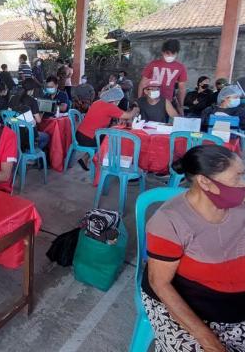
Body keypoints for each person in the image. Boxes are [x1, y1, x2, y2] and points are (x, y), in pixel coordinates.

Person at [142, 145, 245, 352]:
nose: (243, 183)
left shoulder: (241, 206)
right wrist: (211, 343)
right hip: (191, 306)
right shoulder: (169, 221)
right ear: (205, 181)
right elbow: (159, 283)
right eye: (238, 177)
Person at [76, 87, 139, 171]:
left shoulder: (98, 102)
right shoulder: (109, 107)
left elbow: (114, 114)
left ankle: (85, 159)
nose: (118, 103)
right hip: (88, 138)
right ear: (114, 100)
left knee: (105, 137)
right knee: (112, 141)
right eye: (118, 101)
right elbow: (129, 115)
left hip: (80, 134)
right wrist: (135, 109)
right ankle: (106, 165)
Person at [138, 40, 187, 115]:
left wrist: (180, 105)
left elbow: (182, 89)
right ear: (162, 52)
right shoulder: (153, 64)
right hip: (149, 100)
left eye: (173, 53)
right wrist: (139, 101)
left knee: (163, 124)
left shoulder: (181, 67)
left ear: (177, 53)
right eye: (167, 53)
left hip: (166, 103)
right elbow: (142, 84)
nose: (170, 56)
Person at [9, 78, 50, 150]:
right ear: (32, 90)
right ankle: (32, 153)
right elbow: (39, 121)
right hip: (26, 136)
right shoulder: (32, 101)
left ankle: (26, 152)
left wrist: (18, 121)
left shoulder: (13, 98)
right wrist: (42, 112)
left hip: (13, 133)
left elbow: (9, 116)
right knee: (46, 137)